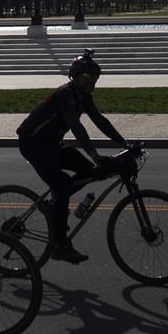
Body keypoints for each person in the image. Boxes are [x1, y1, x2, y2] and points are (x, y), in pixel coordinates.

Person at [16, 49, 128, 264]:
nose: (91, 82)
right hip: (32, 143)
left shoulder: (83, 97)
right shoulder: (65, 93)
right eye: (86, 77)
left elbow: (100, 120)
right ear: (74, 76)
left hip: (51, 144)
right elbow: (76, 126)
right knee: (62, 185)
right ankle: (59, 245)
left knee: (88, 172)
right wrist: (95, 154)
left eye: (94, 78)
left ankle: (52, 204)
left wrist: (125, 143)